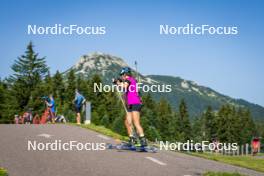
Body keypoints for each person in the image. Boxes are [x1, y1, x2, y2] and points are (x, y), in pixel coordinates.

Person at [115, 67, 147, 147]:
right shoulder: (130, 80)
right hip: (130, 104)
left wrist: (117, 83)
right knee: (127, 122)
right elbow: (126, 93)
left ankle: (143, 140)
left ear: (125, 74)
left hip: (135, 103)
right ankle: (132, 139)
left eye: (122, 75)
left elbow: (125, 86)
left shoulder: (129, 79)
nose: (121, 76)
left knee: (136, 123)